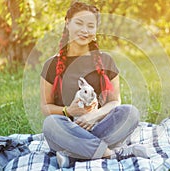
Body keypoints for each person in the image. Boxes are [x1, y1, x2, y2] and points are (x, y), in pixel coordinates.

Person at [40, 1, 147, 168]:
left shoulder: (106, 60)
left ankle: (73, 156)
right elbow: (46, 107)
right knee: (50, 124)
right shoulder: (51, 64)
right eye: (79, 23)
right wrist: (69, 111)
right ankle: (112, 154)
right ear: (67, 23)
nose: (85, 30)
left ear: (96, 30)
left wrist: (93, 116)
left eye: (90, 25)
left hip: (99, 126)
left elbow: (114, 101)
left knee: (130, 113)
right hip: (68, 131)